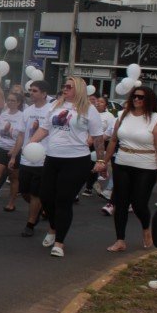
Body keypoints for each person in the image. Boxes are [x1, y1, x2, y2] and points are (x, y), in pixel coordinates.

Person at [28, 76, 104, 257]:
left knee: (63, 200)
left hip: (76, 160)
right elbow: (45, 129)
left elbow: (98, 137)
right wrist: (31, 143)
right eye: (63, 86)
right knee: (46, 196)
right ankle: (54, 227)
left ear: (78, 88)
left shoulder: (89, 109)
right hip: (53, 158)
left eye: (69, 86)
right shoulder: (55, 105)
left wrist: (101, 160)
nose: (65, 89)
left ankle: (59, 242)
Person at [103, 87, 157, 252]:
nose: (137, 100)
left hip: (146, 165)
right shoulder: (123, 115)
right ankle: (120, 240)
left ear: (149, 100)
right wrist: (104, 161)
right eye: (134, 96)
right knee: (120, 203)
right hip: (122, 162)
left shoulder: (156, 119)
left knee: (139, 204)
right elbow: (113, 140)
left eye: (141, 97)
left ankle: (146, 228)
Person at [9, 80, 51, 237]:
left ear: (44, 93)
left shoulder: (51, 110)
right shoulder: (27, 111)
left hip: (43, 158)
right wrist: (14, 155)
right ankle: (40, 207)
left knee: (35, 193)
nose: (31, 93)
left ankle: (30, 224)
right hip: (27, 157)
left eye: (35, 91)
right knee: (24, 191)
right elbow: (21, 135)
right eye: (31, 91)